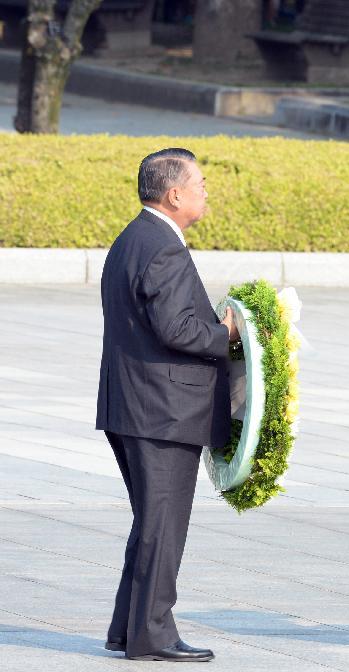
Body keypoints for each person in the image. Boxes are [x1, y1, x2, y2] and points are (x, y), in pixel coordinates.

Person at [96, 148, 239, 662]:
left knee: (150, 522)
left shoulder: (134, 237)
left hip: (134, 405)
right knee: (163, 526)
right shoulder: (163, 248)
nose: (206, 190)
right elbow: (176, 329)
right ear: (174, 193)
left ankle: (127, 629)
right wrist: (226, 333)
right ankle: (152, 636)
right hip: (162, 411)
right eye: (200, 183)